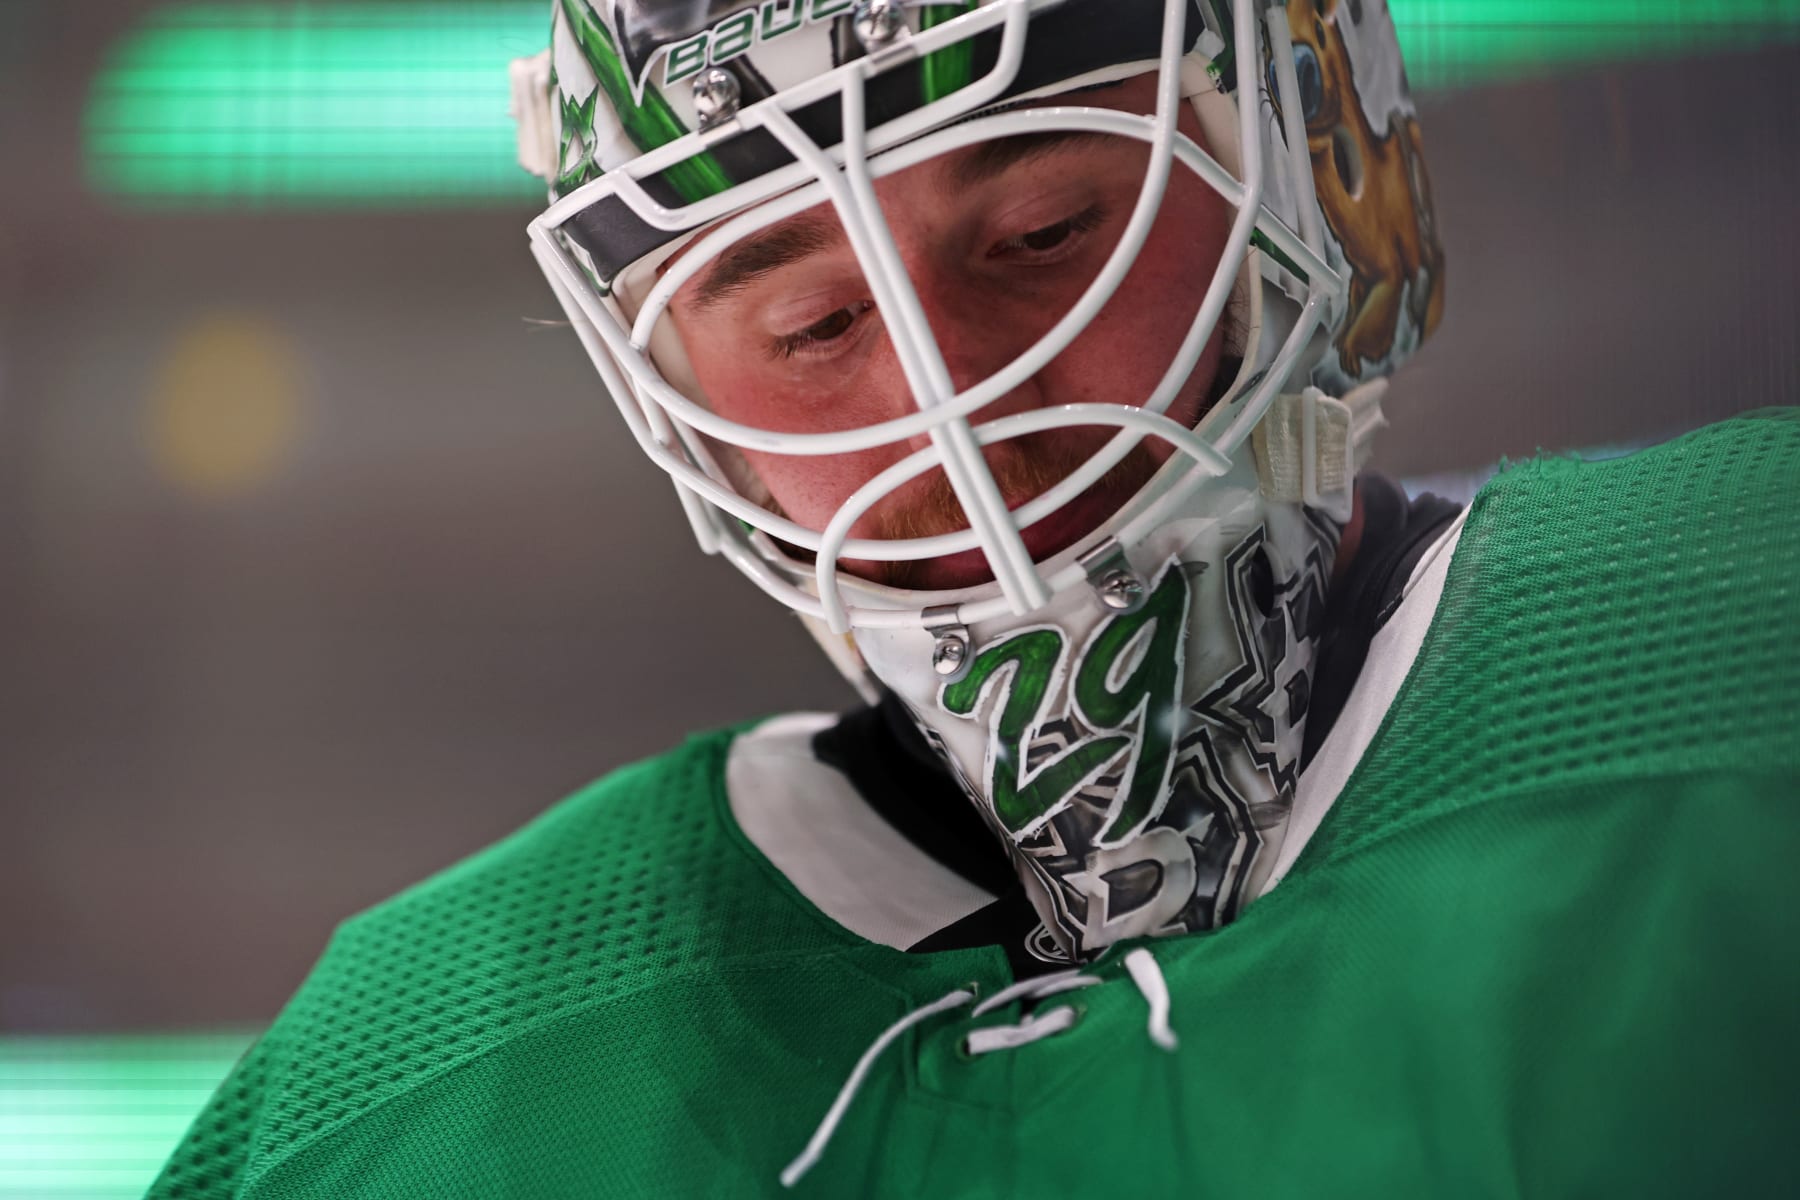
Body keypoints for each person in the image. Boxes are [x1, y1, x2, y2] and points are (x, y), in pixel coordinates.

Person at [148, 1, 1797, 1196]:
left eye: (1047, 228)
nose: (961, 401)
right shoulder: (411, 1093)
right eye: (805, 324)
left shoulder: (1741, 648)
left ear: (1310, 163)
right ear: (663, 383)